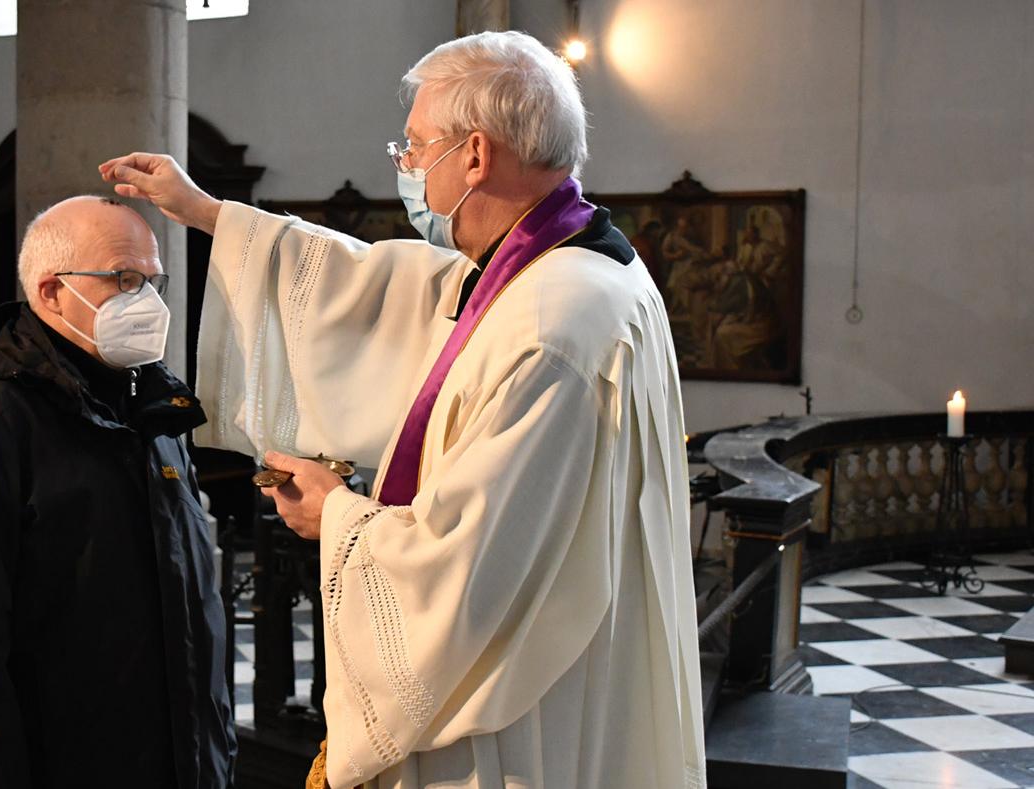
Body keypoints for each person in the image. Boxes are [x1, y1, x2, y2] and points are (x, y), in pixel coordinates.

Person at [102, 30, 705, 789]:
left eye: (416, 148)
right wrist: (209, 213)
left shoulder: (550, 327)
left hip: (518, 724)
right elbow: (388, 288)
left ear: (476, 155)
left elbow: (467, 566)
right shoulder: (569, 268)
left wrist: (339, 518)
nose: (409, 169)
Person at [0, 196, 236, 788]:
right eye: (124, 279)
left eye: (152, 281)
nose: (148, 302)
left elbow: (189, 608)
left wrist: (215, 752)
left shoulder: (153, 415)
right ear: (52, 292)